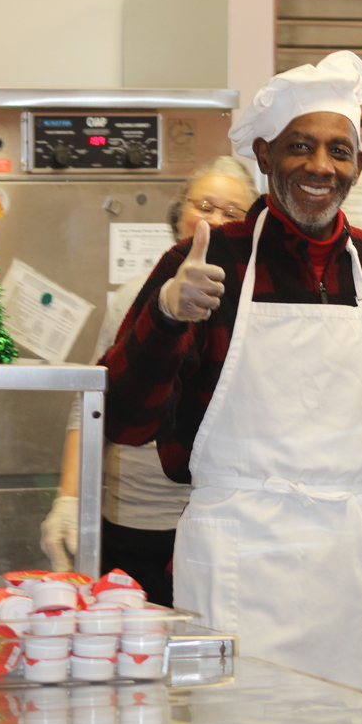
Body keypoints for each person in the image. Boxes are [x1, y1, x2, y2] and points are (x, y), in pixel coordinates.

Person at [100, 50, 362, 701]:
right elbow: (122, 418)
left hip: (357, 566)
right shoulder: (206, 264)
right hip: (237, 559)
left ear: (359, 165)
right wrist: (168, 316)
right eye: (300, 146)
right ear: (264, 156)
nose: (321, 166)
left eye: (338, 151)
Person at [40, 155, 258, 605]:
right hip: (132, 520)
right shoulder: (135, 296)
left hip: (226, 522)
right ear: (179, 213)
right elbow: (93, 401)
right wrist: (68, 499)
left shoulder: (259, 308)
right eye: (204, 206)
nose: (215, 221)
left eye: (231, 212)